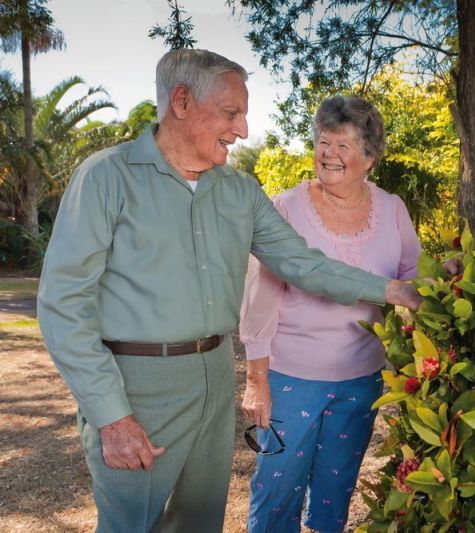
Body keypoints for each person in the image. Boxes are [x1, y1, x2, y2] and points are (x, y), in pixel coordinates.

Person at [36, 50, 420, 533]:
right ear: (181, 102)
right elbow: (62, 306)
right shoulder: (105, 177)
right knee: (130, 524)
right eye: (231, 112)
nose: (242, 129)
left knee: (199, 523)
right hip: (135, 382)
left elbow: (304, 264)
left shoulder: (240, 191)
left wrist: (392, 290)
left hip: (215, 373)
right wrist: (111, 416)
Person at [239, 95, 422, 532]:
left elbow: (416, 278)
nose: (329, 155)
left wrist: (448, 277)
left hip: (361, 380)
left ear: (370, 158)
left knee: (333, 496)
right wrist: (256, 381)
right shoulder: (286, 207)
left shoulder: (392, 208)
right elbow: (259, 298)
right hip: (291, 380)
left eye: (344, 145)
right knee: (276, 493)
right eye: (324, 142)